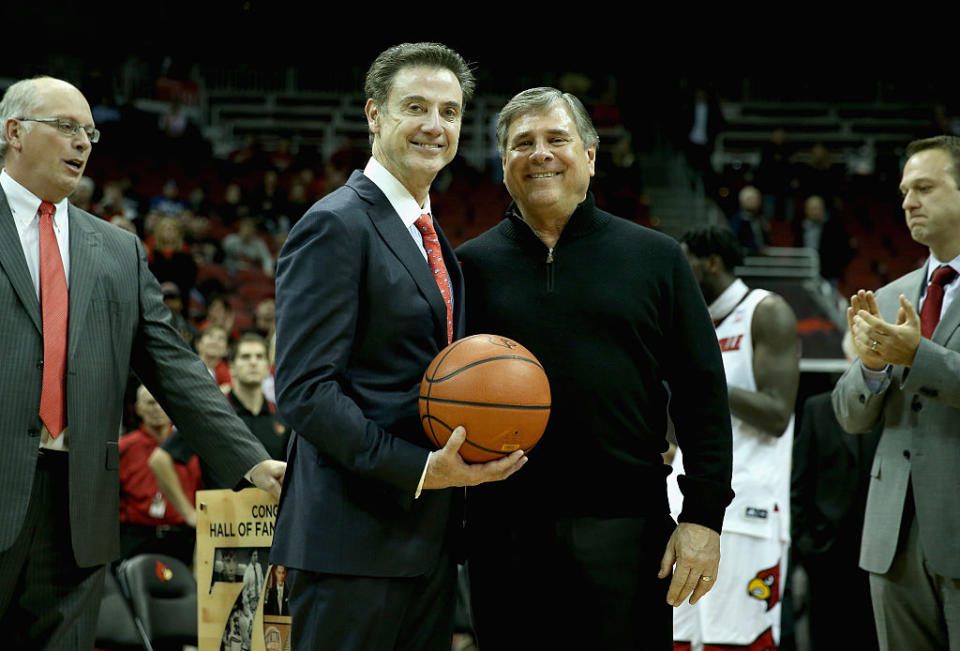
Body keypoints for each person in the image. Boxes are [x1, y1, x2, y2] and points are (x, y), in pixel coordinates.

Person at [0, 76, 285, 649]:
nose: (82, 142)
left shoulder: (118, 248)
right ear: (13, 132)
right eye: (66, 127)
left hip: (78, 505)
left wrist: (253, 463)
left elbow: (176, 367)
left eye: (89, 132)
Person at [269, 43, 527, 650]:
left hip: (425, 539)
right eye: (416, 107)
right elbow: (305, 392)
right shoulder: (335, 224)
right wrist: (417, 469)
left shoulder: (432, 234)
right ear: (374, 115)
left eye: (450, 111)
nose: (434, 126)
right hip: (350, 541)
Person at [456, 87, 734, 650]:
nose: (540, 154)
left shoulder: (656, 258)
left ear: (589, 153)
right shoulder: (469, 268)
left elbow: (702, 392)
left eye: (557, 139)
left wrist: (704, 518)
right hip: (503, 530)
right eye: (522, 143)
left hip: (628, 528)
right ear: (502, 163)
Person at [833, 134, 960, 651]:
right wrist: (870, 367)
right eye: (906, 190)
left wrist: (917, 357)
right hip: (893, 538)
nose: (908, 202)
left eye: (925, 187)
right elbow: (849, 416)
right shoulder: (889, 296)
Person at [668, 225, 800, 650]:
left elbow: (777, 413)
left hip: (751, 508)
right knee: (678, 637)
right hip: (687, 502)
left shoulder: (766, 310)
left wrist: (704, 378)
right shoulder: (691, 324)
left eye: (685, 261)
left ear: (712, 263)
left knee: (740, 641)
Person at [792, 335, 880, 651]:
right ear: (846, 358)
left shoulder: (898, 410)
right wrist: (808, 544)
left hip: (882, 554)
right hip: (828, 553)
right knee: (826, 637)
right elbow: (799, 484)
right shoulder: (818, 407)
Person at [150, 333, 287, 525]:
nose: (253, 363)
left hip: (271, 526)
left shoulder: (281, 417)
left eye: (259, 357)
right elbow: (159, 460)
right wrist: (189, 513)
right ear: (232, 367)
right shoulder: (213, 415)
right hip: (220, 526)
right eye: (246, 357)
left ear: (268, 367)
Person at [118, 385, 201, 567]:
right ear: (139, 409)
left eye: (161, 403)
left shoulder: (191, 445)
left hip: (183, 539)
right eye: (151, 403)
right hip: (139, 540)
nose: (157, 409)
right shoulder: (124, 448)